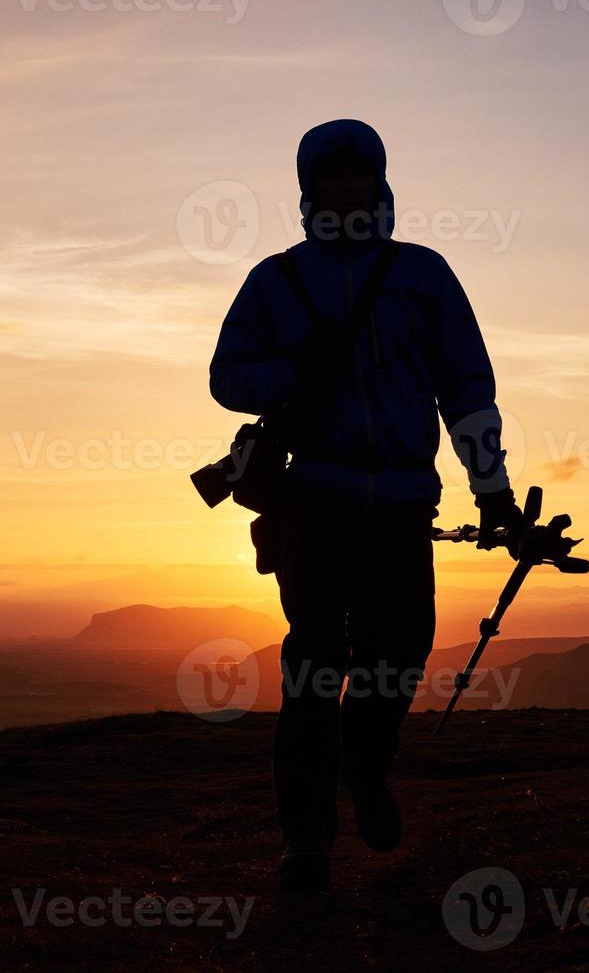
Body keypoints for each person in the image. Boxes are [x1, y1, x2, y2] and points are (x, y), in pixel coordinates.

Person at [209, 119, 523, 891]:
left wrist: (494, 489)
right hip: (315, 502)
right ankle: (307, 846)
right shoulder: (276, 280)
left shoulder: (424, 275)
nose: (346, 185)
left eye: (358, 172)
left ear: (378, 181)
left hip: (404, 503)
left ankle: (364, 766)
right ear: (310, 187)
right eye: (332, 174)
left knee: (400, 655)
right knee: (313, 667)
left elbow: (467, 390)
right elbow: (226, 378)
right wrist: (290, 373)